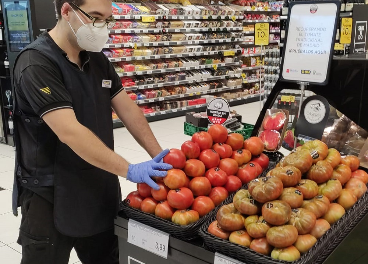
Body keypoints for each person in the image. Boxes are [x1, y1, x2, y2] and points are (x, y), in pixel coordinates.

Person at [11, 0, 172, 263]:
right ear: (66, 11)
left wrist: (161, 158)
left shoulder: (96, 58)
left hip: (98, 185)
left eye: (108, 20)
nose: (102, 27)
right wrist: (130, 170)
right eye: (95, 17)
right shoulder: (35, 63)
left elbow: (127, 109)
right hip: (49, 195)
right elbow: (70, 132)